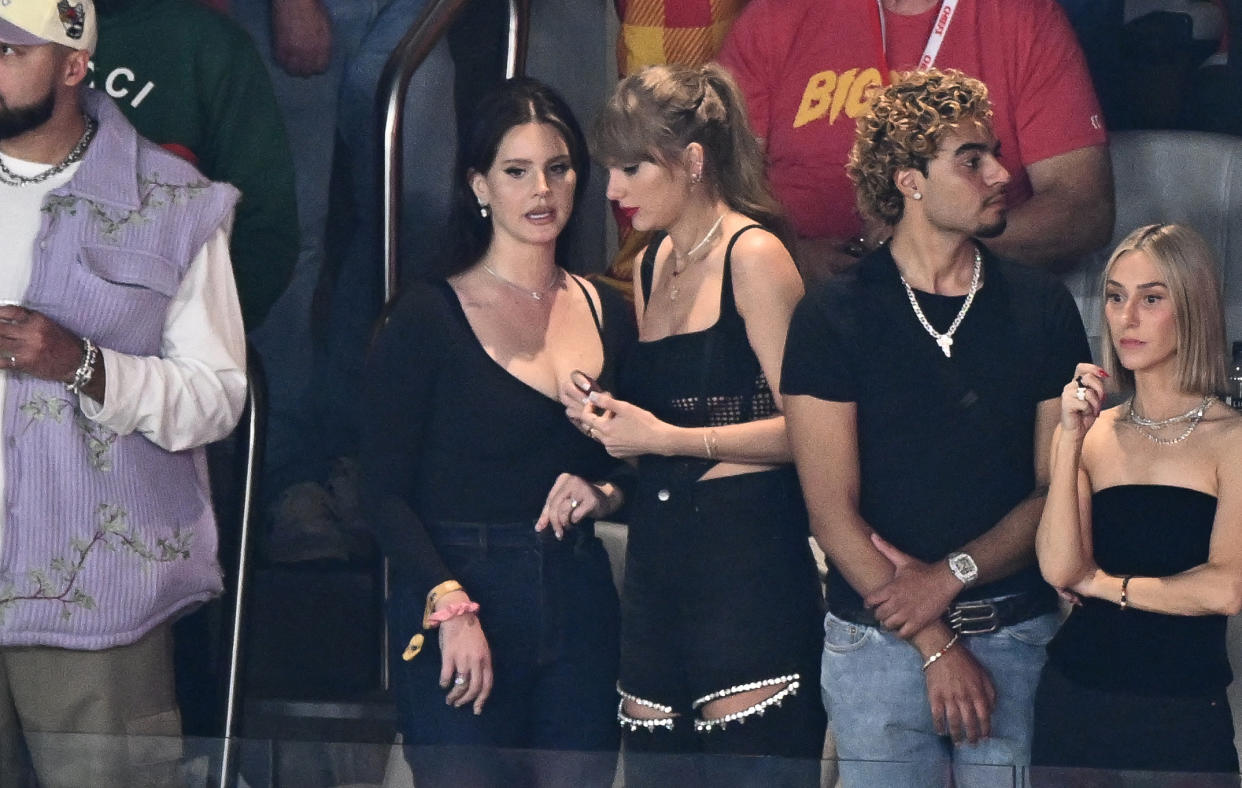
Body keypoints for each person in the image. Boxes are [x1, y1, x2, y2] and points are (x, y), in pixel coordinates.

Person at [781, 69, 1089, 786]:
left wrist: (951, 577)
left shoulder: (1041, 307)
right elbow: (831, 511)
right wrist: (934, 642)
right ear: (909, 180)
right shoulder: (835, 314)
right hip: (880, 643)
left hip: (1016, 632)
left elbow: (1057, 490)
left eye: (995, 154)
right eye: (972, 159)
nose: (1002, 174)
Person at [0, 0, 247, 784]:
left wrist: (82, 363)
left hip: (98, 604)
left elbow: (218, 396)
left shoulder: (173, 201)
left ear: (73, 65)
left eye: (10, 51)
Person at [360, 78, 631, 786]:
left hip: (576, 590)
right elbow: (383, 492)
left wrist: (603, 490)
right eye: (517, 171)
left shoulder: (610, 306)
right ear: (479, 184)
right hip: (460, 582)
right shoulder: (424, 316)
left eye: (559, 167)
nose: (542, 189)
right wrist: (447, 602)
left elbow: (645, 459)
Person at [581, 63, 826, 776]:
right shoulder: (655, 261)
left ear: (691, 162)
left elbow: (810, 432)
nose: (613, 191)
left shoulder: (755, 255)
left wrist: (666, 438)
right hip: (659, 559)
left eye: (630, 168)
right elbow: (654, 423)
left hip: (744, 560)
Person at [1032, 223, 1242, 775]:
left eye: (1151, 299)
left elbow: (1225, 588)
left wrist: (1104, 585)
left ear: (1191, 307)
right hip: (1076, 698)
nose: (1127, 318)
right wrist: (1069, 440)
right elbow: (1058, 566)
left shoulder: (1233, 440)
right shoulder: (1091, 433)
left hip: (1183, 708)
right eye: (1116, 297)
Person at [717, 0, 1113, 283]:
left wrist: (937, 245)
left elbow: (1084, 209)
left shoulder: (1023, 15)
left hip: (972, 305)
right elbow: (712, 191)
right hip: (800, 299)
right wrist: (789, 257)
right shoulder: (774, 15)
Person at [90, 0, 298, 330]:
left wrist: (198, 334)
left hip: (171, 342)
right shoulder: (17, 36)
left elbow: (264, 227)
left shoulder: (211, 46)